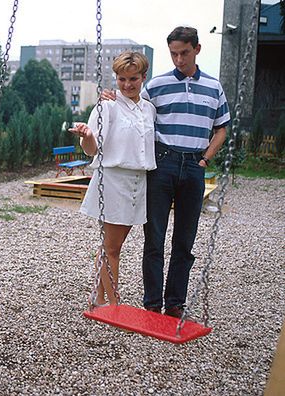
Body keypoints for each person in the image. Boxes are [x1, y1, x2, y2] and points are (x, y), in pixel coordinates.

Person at [104, 27, 230, 317]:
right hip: (163, 164)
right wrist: (111, 95)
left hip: (194, 166)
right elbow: (130, 103)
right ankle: (151, 304)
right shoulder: (157, 85)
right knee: (154, 238)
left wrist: (206, 159)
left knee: (184, 241)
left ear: (197, 50)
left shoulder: (214, 87)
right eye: (173, 53)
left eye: (184, 53)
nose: (178, 59)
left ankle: (175, 304)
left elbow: (222, 128)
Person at [69, 51, 156, 306]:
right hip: (113, 180)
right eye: (121, 79)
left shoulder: (149, 109)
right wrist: (86, 136)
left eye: (133, 79)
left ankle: (97, 298)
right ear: (115, 78)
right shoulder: (106, 106)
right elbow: (91, 149)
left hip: (138, 182)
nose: (127, 85)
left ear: (143, 77)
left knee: (111, 246)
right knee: (112, 248)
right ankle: (114, 304)